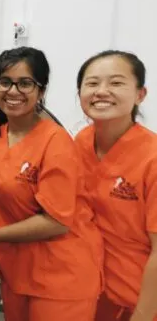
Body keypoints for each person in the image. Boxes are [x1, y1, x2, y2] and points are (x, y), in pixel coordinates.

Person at [0, 46, 103, 320]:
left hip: (61, 278)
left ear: (41, 91)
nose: (13, 91)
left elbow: (56, 221)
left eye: (25, 83)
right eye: (5, 82)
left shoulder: (55, 142)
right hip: (16, 272)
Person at [74, 50, 157, 321]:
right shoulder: (80, 143)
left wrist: (143, 315)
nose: (102, 91)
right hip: (85, 294)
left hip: (135, 304)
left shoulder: (152, 158)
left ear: (140, 94)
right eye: (92, 83)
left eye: (116, 83)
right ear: (80, 94)